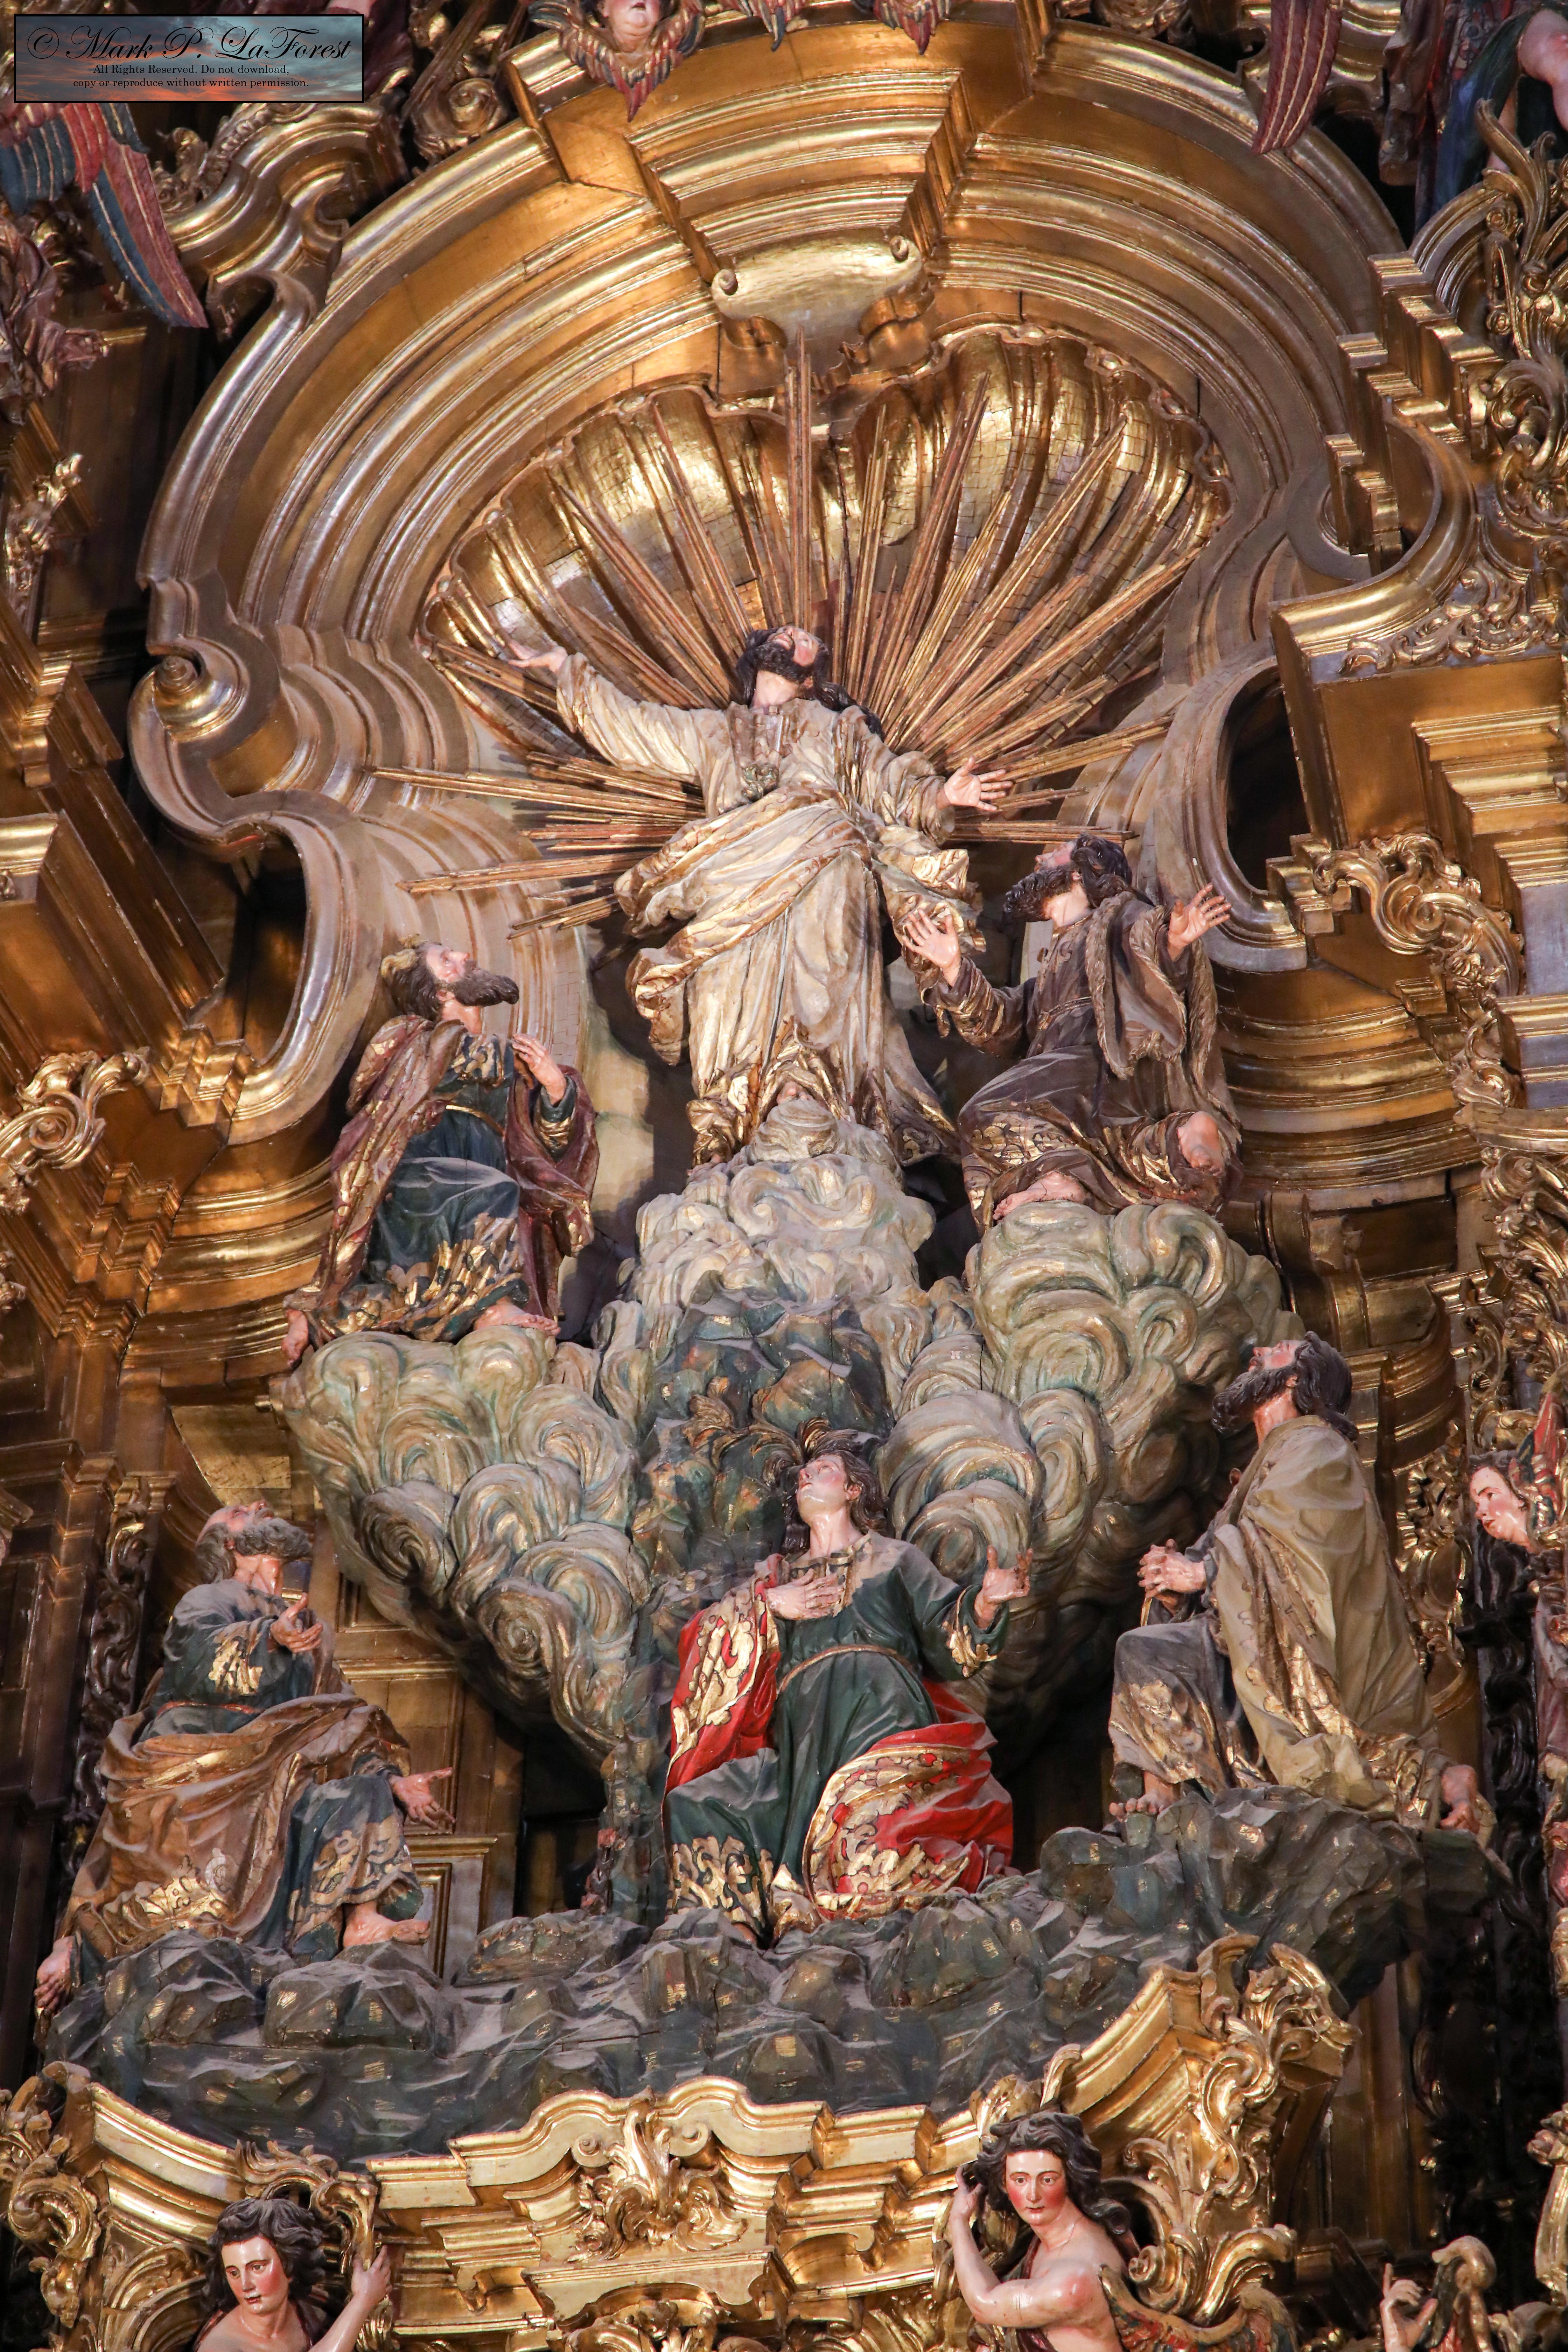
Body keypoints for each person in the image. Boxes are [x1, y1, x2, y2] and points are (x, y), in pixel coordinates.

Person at [514, 623, 1006, 1165]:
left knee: (822, 1007)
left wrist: (943, 795)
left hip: (825, 876)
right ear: (760, 653)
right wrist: (565, 668)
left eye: (806, 638)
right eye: (784, 632)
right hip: (732, 886)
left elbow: (890, 787)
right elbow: (634, 728)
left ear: (812, 672)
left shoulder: (837, 730)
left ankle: (833, 1136)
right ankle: (732, 1144)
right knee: (728, 1010)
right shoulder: (713, 731)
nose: (792, 635)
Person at [34, 1515, 453, 2019]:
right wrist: (268, 1638)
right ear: (232, 1544)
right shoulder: (208, 1599)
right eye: (240, 1511)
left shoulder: (309, 1627)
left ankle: (361, 1920)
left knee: (364, 1793)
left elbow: (338, 1716)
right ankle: (83, 1947)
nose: (257, 1504)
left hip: (285, 1768)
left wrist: (393, 1780)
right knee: (187, 1889)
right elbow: (194, 1659)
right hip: (203, 1756)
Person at [1107, 1335, 1483, 1831]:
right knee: (1146, 1650)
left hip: (1308, 1657)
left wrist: (1203, 1573)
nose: (1257, 1353)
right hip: (1249, 1645)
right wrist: (1178, 1582)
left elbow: (1302, 1552)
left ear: (1294, 1380)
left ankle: (1438, 1782)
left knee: (1146, 1651)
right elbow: (1231, 1545)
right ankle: (1164, 1791)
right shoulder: (1268, 1462)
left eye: (1277, 1350)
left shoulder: (1317, 1448)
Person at [664, 1436, 1028, 1937]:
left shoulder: (896, 1559)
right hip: (801, 1733)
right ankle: (735, 1947)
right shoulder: (777, 1577)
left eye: (824, 1469)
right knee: (698, 1803)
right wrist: (771, 1605)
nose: (806, 1476)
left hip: (880, 1709)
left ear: (854, 1490)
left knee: (864, 1828)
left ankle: (837, 1911)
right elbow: (704, 1641)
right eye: (803, 1474)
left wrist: (985, 1605)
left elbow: (949, 1644)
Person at [902, 835, 1239, 1228]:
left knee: (983, 1113)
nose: (1040, 856)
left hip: (1097, 1063)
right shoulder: (1050, 964)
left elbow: (1146, 948)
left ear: (1082, 870)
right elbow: (1000, 1023)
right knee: (983, 1139)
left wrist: (1173, 943)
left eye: (1056, 851)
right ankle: (1137, 1156)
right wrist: (953, 968)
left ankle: (1073, 1173)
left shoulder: (1116, 917)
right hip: (1058, 1073)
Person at [284, 940, 596, 1361]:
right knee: (492, 1193)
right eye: (446, 961)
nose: (465, 956)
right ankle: (494, 1306)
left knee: (429, 1279)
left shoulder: (506, 1058)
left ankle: (324, 1320)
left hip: (485, 1167)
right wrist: (501, 1061)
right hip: (422, 1170)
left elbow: (545, 1145)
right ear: (440, 992)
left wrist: (555, 1089)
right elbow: (384, 1098)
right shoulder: (412, 1038)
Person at [945, 2108, 1133, 2352]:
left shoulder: (1074, 2281)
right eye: (1020, 2180)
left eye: (1047, 2180)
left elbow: (985, 2304)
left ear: (1070, 2179)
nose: (1033, 2195)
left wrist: (958, 2221)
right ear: (1004, 2183)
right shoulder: (1052, 2238)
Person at [197, 2196, 392, 2352]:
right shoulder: (220, 2347)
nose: (245, 2285)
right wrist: (362, 2300)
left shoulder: (310, 2316)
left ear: (289, 2265)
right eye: (234, 2273)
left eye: (257, 2268)